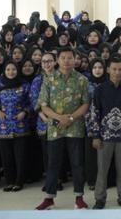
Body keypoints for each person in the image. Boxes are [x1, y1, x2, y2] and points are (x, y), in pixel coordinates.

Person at [35, 47, 93, 210]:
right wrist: (59, 118)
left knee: (77, 164)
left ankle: (79, 198)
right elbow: (43, 105)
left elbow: (86, 104)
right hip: (55, 128)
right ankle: (49, 198)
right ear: (57, 60)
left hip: (75, 128)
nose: (67, 61)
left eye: (70, 58)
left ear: (75, 60)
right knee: (53, 164)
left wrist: (71, 118)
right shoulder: (49, 79)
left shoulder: (82, 80)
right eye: (63, 58)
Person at [88, 56, 121, 209]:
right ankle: (100, 199)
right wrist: (95, 135)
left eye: (120, 69)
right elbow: (94, 113)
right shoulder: (100, 90)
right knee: (102, 170)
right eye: (114, 69)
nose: (118, 72)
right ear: (108, 70)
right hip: (104, 137)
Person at [0, 62, 33, 193]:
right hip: (3, 126)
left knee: (20, 155)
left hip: (20, 125)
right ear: (4, 71)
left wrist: (25, 112)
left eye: (13, 69)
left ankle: (19, 181)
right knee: (6, 156)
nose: (11, 72)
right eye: (8, 69)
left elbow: (31, 102)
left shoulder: (24, 85)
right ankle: (9, 181)